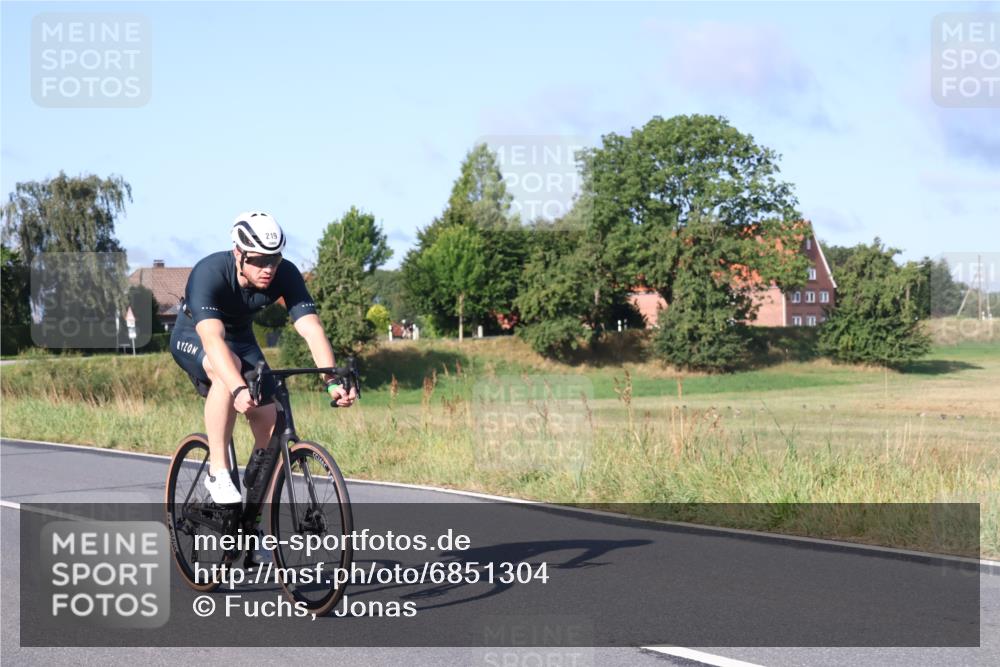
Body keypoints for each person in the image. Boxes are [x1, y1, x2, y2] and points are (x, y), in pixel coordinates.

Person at [170, 211, 356, 505]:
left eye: (274, 259)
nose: (268, 268)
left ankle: (251, 520)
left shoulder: (286, 274)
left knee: (274, 424)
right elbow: (212, 339)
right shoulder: (209, 272)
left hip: (242, 339)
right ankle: (219, 471)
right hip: (195, 335)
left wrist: (331, 379)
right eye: (258, 260)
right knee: (225, 369)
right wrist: (238, 387)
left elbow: (311, 327)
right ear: (238, 253)